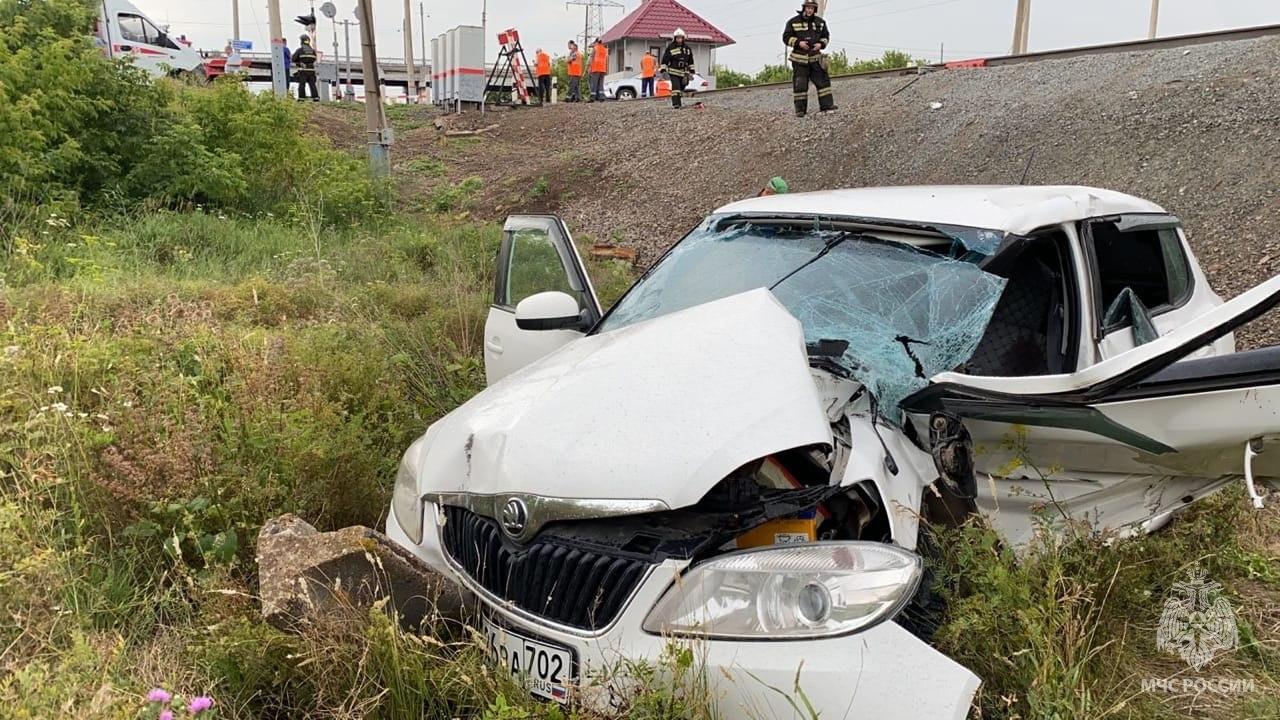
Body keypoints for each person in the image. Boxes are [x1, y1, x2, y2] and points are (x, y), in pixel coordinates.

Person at [783, 0, 837, 117]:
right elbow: (786, 37)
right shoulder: (793, 22)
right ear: (804, 8)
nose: (809, 10)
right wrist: (798, 43)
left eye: (812, 8)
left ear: (815, 10)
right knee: (800, 85)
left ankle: (827, 106)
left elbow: (826, 36)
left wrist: (821, 45)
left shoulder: (821, 22)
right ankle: (800, 110)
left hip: (815, 58)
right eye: (808, 8)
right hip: (799, 59)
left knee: (823, 83)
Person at [660, 28, 695, 109]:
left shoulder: (687, 49)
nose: (679, 39)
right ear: (675, 38)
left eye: (681, 37)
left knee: (682, 88)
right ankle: (676, 104)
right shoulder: (671, 47)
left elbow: (691, 60)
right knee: (676, 88)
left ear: (683, 38)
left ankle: (679, 102)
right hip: (673, 72)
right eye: (678, 38)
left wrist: (692, 70)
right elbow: (665, 59)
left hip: (684, 73)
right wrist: (663, 69)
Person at [291, 35, 318, 101]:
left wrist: (299, 63)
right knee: (312, 84)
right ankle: (315, 97)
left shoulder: (300, 50)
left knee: (302, 84)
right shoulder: (313, 51)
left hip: (303, 70)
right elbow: (314, 59)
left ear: (302, 41)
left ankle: (301, 98)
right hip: (311, 70)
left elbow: (293, 58)